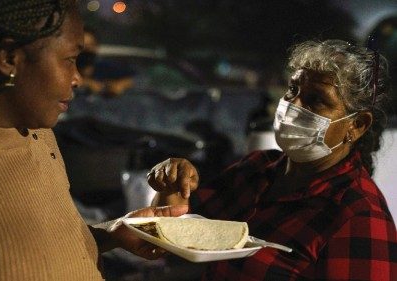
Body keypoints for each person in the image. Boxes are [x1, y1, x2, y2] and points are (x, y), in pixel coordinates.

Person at [0, 1, 187, 280]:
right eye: (69, 60)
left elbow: (42, 246)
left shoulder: (39, 135)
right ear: (7, 58)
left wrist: (113, 233)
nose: (78, 78)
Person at [148, 39, 397, 280]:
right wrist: (172, 183)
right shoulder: (257, 169)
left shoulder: (359, 217)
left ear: (357, 125)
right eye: (293, 90)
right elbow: (175, 238)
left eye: (316, 100)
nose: (294, 105)